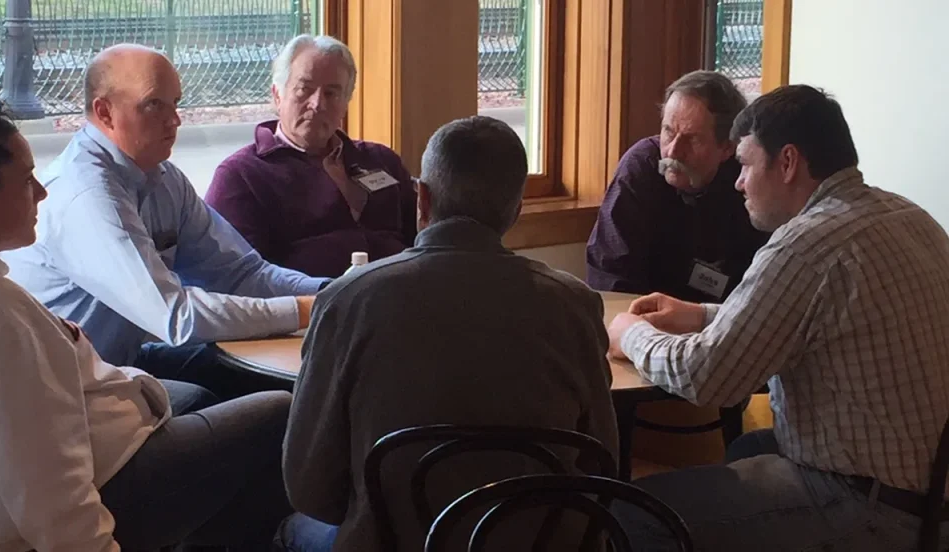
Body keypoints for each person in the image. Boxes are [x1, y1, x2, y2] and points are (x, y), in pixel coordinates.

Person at [0, 93, 294, 551]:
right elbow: (47, 492)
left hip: (93, 433)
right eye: (26, 181)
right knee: (280, 412)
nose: (43, 192)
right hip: (99, 486)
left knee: (192, 392)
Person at [606, 85, 949, 551]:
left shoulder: (806, 244)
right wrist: (702, 314)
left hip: (870, 506)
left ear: (787, 163)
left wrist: (633, 336)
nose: (738, 182)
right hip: (933, 491)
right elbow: (814, 317)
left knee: (630, 511)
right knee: (749, 449)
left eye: (745, 163)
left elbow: (710, 379)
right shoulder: (909, 216)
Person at [278, 115, 618, 551]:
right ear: (516, 209)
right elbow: (602, 466)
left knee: (291, 529)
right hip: (538, 542)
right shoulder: (574, 305)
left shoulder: (348, 301)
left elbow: (307, 486)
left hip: (392, 542)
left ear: (421, 197)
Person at [0, 44, 329, 398]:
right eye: (154, 104)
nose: (174, 120)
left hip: (117, 362)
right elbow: (175, 318)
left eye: (176, 103)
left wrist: (335, 292)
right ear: (104, 112)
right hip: (63, 391)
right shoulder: (84, 194)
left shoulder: (164, 179)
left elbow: (241, 274)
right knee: (234, 405)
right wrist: (304, 311)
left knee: (262, 378)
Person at [206, 35, 417, 278]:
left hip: (402, 299)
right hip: (310, 308)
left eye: (331, 93)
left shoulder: (381, 160)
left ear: (346, 103)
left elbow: (425, 240)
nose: (317, 104)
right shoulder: (241, 176)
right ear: (277, 95)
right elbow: (239, 279)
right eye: (304, 89)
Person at [586, 70, 770, 302]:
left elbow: (759, 282)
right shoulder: (640, 168)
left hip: (719, 324)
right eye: (668, 132)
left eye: (692, 139)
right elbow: (610, 275)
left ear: (727, 148)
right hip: (642, 322)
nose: (673, 151)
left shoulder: (746, 181)